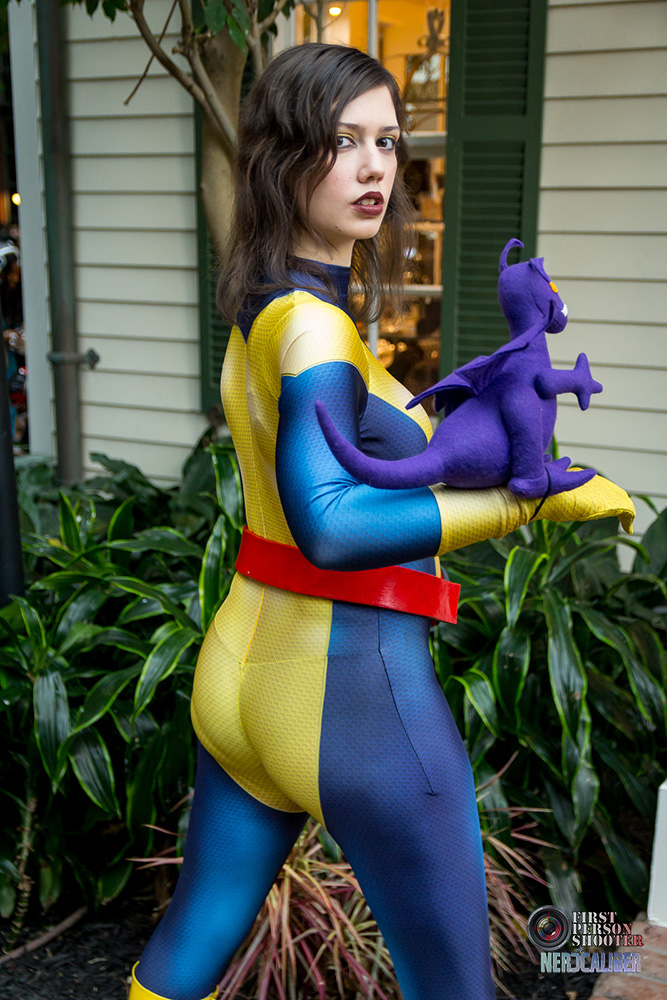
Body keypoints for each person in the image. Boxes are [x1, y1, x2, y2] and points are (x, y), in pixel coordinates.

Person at [129, 44, 634, 1000]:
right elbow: (330, 525)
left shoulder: (266, 309)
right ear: (286, 156)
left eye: (388, 141)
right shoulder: (315, 329)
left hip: (241, 675)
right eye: (342, 141)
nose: (374, 168)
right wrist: (521, 503)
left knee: (192, 939)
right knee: (453, 985)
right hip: (349, 690)